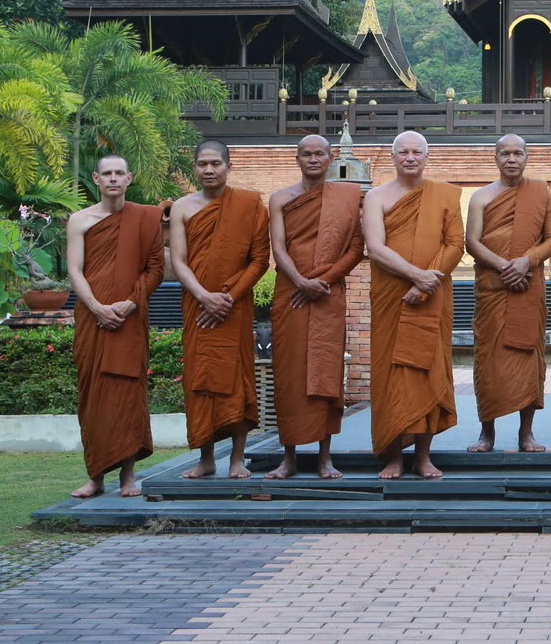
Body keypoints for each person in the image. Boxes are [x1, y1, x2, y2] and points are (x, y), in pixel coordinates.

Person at [364, 130, 464, 479]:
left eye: (416, 152)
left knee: (428, 371)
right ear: (393, 157)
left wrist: (427, 282)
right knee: (391, 374)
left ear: (426, 156)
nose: (410, 157)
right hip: (392, 295)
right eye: (403, 151)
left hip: (432, 297)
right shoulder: (375, 197)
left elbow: (455, 244)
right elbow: (375, 247)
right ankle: (393, 456)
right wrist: (414, 275)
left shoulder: (444, 195)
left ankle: (422, 456)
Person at [65, 154, 165, 499]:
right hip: (93, 321)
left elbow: (155, 269)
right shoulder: (79, 220)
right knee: (93, 397)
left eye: (118, 173)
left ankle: (127, 477)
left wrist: (131, 303)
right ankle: (95, 477)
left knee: (127, 397)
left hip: (128, 319)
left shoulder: (145, 219)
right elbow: (75, 270)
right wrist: (96, 308)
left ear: (129, 178)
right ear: (95, 178)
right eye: (106, 173)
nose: (112, 179)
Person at [264, 135, 365, 481]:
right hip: (291, 295)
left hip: (326, 295)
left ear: (330, 158)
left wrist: (320, 280)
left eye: (319, 154)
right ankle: (288, 458)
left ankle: (325, 458)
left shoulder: (348, 197)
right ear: (297, 159)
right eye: (305, 154)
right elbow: (278, 249)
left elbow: (355, 249)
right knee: (289, 375)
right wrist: (301, 282)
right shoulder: (280, 199)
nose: (312, 159)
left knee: (325, 373)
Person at [170, 140, 269, 480]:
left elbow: (259, 261)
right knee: (202, 380)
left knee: (237, 379)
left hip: (234, 308)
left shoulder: (251, 204)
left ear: (229, 166)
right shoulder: (182, 208)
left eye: (215, 163)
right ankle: (206, 458)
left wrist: (227, 296)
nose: (209, 170)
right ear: (195, 168)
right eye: (202, 164)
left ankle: (237, 459)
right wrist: (203, 296)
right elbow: (178, 262)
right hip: (197, 308)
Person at [464, 134, 551, 453]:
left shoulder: (542, 192)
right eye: (504, 153)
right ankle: (486, 432)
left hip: (529, 285)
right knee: (488, 360)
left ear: (526, 157)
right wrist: (507, 267)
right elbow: (472, 243)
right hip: (492, 288)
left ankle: (526, 434)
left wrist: (526, 261)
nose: (511, 159)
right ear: (495, 158)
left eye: (518, 153)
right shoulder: (480, 196)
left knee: (528, 359)